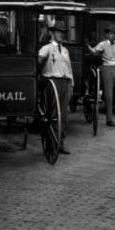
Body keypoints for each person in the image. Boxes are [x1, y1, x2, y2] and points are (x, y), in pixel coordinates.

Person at [38, 21, 73, 153]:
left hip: (65, 82)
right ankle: (52, 143)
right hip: (52, 82)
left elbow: (69, 68)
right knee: (53, 114)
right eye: (58, 32)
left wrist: (71, 84)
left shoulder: (65, 50)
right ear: (52, 33)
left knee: (63, 115)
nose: (61, 35)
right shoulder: (46, 48)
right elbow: (38, 62)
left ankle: (61, 143)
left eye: (63, 32)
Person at [89, 27, 115, 127]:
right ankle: (109, 119)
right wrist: (88, 46)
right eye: (111, 34)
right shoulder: (102, 44)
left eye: (114, 34)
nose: (113, 36)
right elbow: (95, 51)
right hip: (107, 68)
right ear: (107, 34)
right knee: (108, 95)